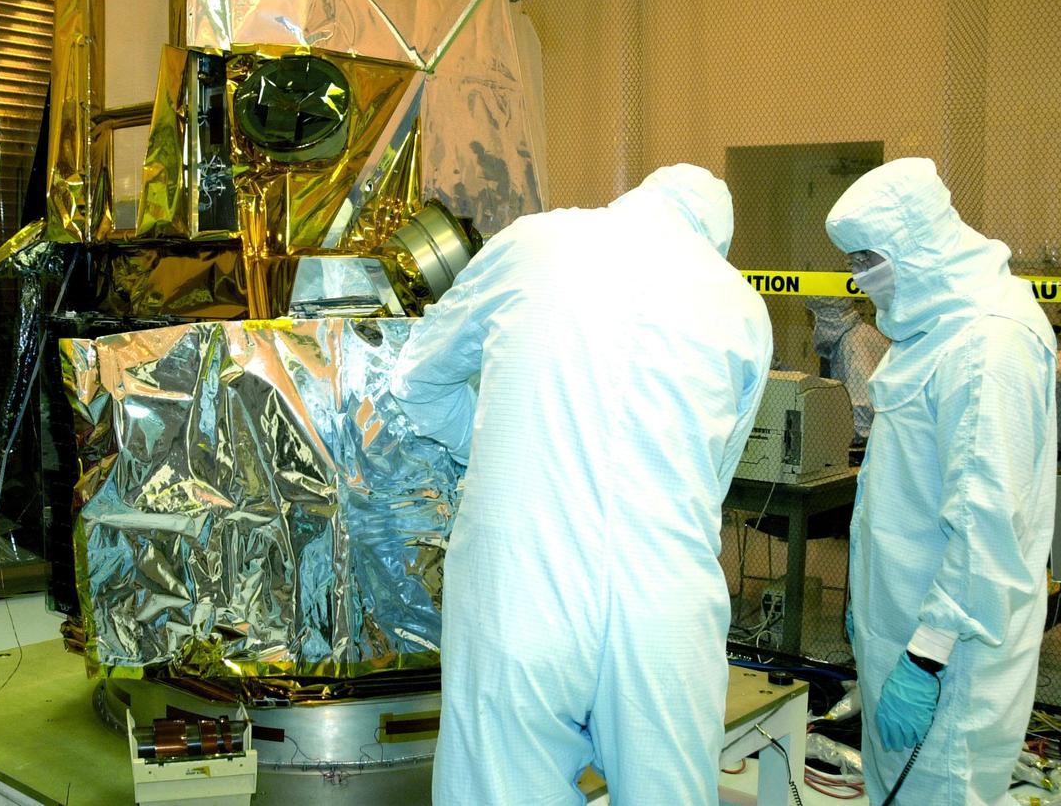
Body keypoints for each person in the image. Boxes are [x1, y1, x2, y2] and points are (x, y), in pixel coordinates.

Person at [390, 164, 773, 804]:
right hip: (664, 604)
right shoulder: (740, 305)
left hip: (523, 586)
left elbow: (418, 381)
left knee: (503, 786)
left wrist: (495, 449)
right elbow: (715, 478)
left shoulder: (531, 242)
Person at [825, 157, 1057, 805]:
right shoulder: (934, 323)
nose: (856, 277)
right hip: (903, 633)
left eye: (868, 257)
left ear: (914, 242)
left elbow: (983, 531)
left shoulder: (988, 346)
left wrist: (924, 658)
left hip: (948, 667)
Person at [804, 296, 890, 445]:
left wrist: (846, 442)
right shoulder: (861, 334)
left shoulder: (852, 345)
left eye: (811, 317)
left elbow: (861, 406)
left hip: (871, 442)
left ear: (826, 318)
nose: (810, 324)